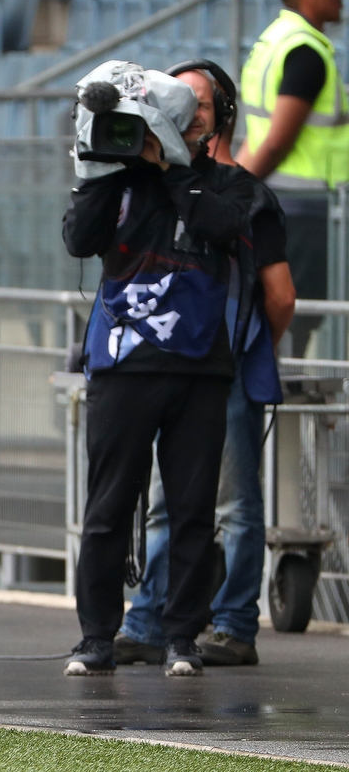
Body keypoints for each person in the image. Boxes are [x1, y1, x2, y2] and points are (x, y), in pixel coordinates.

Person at [62, 63, 253, 677]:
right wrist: (99, 166)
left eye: (201, 111)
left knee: (194, 508)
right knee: (109, 505)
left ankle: (182, 640)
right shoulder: (112, 181)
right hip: (121, 367)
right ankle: (96, 637)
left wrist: (172, 168)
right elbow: (78, 239)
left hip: (200, 369)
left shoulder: (224, 184)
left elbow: (220, 226)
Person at [117, 62, 296, 669]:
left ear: (221, 114)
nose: (185, 110)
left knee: (235, 505)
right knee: (169, 501)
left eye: (196, 101)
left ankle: (233, 624)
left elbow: (281, 295)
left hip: (226, 367)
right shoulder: (148, 186)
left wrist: (243, 349)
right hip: (167, 363)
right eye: (173, 99)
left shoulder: (246, 194)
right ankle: (147, 621)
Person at [238, 0, 347, 357]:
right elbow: (276, 140)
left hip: (280, 204)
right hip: (310, 209)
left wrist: (237, 188)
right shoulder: (307, 53)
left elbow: (257, 135)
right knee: (301, 323)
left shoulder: (270, 43)